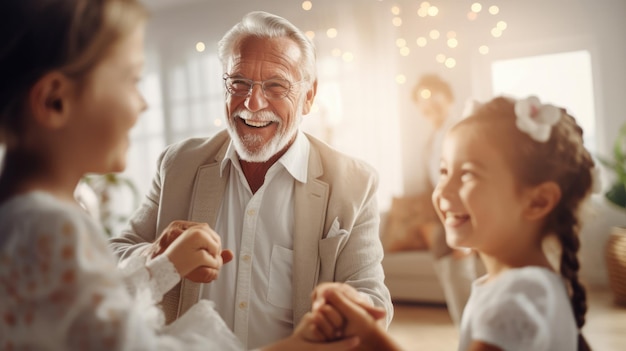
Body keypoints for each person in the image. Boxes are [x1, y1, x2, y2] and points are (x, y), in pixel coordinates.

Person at [0, 2, 363, 350]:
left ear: (308, 96)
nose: (143, 103)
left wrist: (167, 265)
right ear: (54, 101)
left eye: (276, 86)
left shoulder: (33, 216)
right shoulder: (50, 226)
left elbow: (91, 308)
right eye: (132, 79)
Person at [109, 10, 393, 350]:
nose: (252, 102)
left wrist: (349, 307)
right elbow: (112, 256)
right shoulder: (178, 164)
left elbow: (371, 294)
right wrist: (160, 255)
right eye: (239, 83)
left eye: (276, 85)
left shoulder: (354, 183)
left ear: (309, 97)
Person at [307, 95, 595, 351]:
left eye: (468, 174)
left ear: (538, 201)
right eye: (444, 171)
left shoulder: (515, 301)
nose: (442, 191)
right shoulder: (525, 287)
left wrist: (370, 338)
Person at [412, 74, 479, 325]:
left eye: (434, 96)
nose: (429, 103)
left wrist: (466, 233)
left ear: (449, 99)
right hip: (444, 225)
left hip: (461, 222)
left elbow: (469, 179)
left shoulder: (459, 131)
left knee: (465, 292)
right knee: (455, 292)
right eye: (422, 99)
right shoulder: (431, 140)